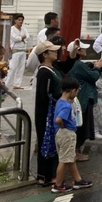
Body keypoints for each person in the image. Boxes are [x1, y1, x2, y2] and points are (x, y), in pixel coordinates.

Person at [51, 76, 94, 193]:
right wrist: (65, 128)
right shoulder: (66, 106)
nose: (77, 94)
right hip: (67, 134)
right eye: (77, 91)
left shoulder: (60, 101)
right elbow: (59, 120)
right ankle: (58, 184)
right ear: (73, 90)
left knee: (70, 158)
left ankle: (78, 180)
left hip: (59, 134)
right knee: (64, 160)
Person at [34, 40, 65, 186]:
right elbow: (45, 94)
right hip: (47, 113)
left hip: (52, 111)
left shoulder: (51, 69)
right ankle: (44, 175)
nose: (56, 53)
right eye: (52, 51)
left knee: (52, 142)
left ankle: (50, 174)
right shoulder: (44, 72)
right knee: (45, 142)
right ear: (45, 54)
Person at [67, 39, 102, 162]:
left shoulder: (77, 64)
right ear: (77, 51)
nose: (86, 50)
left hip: (81, 98)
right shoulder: (78, 65)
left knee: (81, 125)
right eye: (83, 48)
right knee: (80, 126)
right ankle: (75, 152)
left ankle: (76, 151)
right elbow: (93, 76)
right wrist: (97, 68)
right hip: (83, 99)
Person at [8, 13, 29, 89]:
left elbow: (27, 37)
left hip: (23, 50)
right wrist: (21, 38)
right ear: (15, 21)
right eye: (19, 20)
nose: (20, 21)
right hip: (15, 50)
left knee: (21, 68)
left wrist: (21, 38)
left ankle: (17, 84)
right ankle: (6, 84)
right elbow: (14, 38)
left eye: (22, 20)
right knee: (12, 67)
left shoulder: (24, 29)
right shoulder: (12, 29)